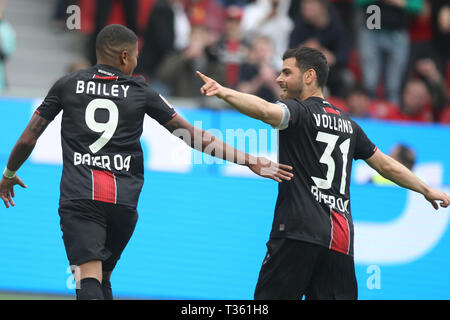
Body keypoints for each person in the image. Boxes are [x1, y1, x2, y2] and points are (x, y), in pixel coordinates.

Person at [0, 24, 293, 300]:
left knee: (86, 280)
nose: (137, 63)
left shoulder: (67, 84)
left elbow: (28, 138)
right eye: (136, 56)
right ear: (124, 56)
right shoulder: (141, 92)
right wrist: (249, 160)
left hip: (81, 198)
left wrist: (9, 173)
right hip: (123, 206)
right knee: (102, 279)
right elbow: (191, 136)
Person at [196, 46, 450, 299]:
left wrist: (223, 91)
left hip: (297, 232)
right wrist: (426, 190)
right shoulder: (350, 125)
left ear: (309, 77)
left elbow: (264, 111)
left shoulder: (299, 111)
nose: (278, 79)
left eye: (286, 72)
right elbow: (386, 165)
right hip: (339, 243)